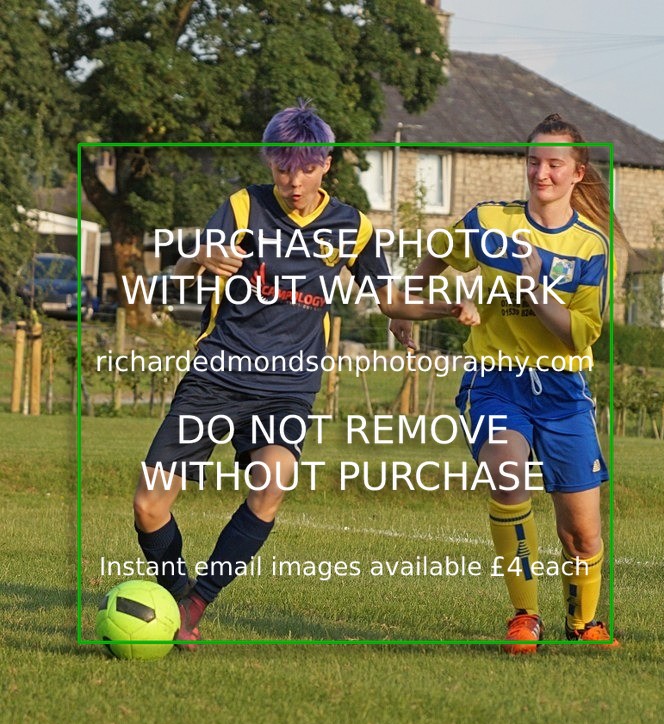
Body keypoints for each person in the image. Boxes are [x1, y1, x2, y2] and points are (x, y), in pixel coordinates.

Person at [132, 101, 479, 649]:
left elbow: (390, 301)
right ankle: (175, 592)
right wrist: (200, 257)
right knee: (149, 505)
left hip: (286, 387)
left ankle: (195, 606)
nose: (294, 182)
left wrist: (447, 307)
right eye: (282, 168)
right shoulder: (242, 208)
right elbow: (178, 270)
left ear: (326, 164)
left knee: (270, 488)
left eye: (306, 168)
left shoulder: (351, 226)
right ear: (270, 164)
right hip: (217, 376)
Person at [392, 113, 624, 654]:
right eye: (533, 162)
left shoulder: (592, 247)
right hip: (495, 381)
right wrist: (406, 304)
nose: (540, 174)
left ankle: (582, 622)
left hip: (564, 389)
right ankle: (525, 615)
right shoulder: (491, 220)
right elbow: (440, 253)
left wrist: (537, 286)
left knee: (582, 534)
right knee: (507, 475)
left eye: (554, 164)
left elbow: (578, 336)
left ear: (577, 173)